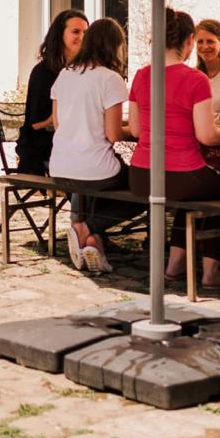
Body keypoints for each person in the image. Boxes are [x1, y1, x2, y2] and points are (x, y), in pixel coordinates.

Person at [126, 7, 220, 288]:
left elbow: (135, 130)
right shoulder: (195, 79)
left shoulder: (143, 75)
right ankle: (210, 273)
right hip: (181, 173)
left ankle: (175, 265)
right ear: (190, 41)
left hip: (142, 175)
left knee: (191, 196)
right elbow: (206, 136)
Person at [49, 18, 130, 274]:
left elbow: (58, 121)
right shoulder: (110, 78)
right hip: (96, 171)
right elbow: (114, 134)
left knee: (94, 178)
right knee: (146, 190)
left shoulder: (65, 74)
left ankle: (95, 244)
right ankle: (90, 227)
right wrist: (137, 130)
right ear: (115, 46)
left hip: (60, 168)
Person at [15, 10, 88, 173]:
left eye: (86, 32)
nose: (82, 37)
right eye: (76, 31)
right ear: (60, 34)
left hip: (75, 144)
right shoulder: (43, 72)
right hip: (45, 148)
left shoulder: (83, 70)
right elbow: (35, 123)